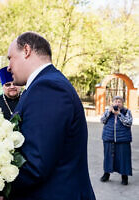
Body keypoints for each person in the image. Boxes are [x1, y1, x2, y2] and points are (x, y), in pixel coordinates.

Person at [6, 32, 96, 199]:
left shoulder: (47, 87)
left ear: (26, 50)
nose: (9, 67)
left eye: (10, 58)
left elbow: (35, 166)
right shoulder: (44, 84)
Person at [100, 96, 133, 185]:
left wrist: (119, 114)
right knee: (108, 157)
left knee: (123, 158)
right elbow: (102, 120)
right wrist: (109, 112)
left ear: (122, 104)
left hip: (123, 139)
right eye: (115, 101)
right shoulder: (108, 111)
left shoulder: (126, 111)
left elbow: (129, 122)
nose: (117, 103)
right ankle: (106, 174)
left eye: (119, 102)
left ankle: (124, 176)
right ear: (112, 103)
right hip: (109, 137)